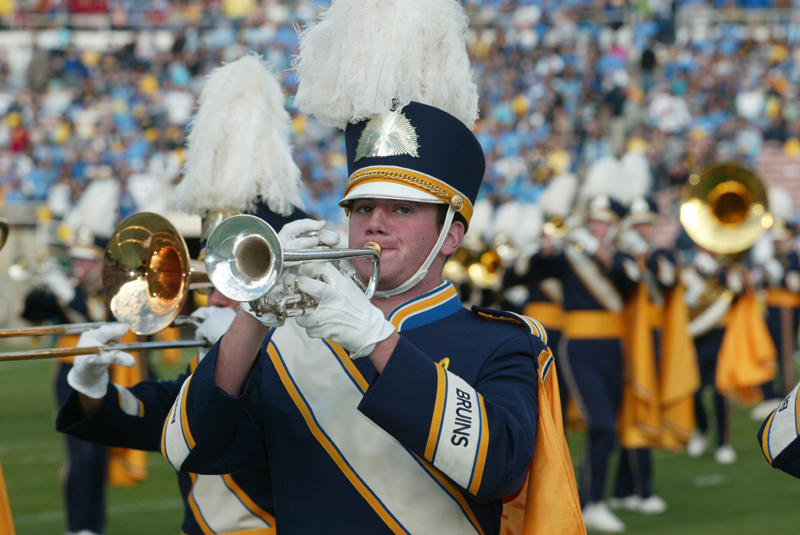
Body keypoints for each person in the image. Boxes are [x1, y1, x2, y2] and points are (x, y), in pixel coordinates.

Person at [158, 0, 560, 531]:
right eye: (363, 208)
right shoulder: (290, 349)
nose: (375, 223)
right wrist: (255, 313)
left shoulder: (503, 343)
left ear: (451, 235)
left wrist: (378, 339)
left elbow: (499, 469)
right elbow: (191, 448)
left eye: (401, 209)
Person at [57, 54, 314, 535]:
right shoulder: (205, 371)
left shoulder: (308, 372)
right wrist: (90, 387)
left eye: (234, 287)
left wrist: (244, 352)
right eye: (214, 286)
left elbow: (273, 419)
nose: (212, 300)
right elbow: (149, 416)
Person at [517, 194, 638, 533]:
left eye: (604, 223)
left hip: (615, 347)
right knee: (600, 424)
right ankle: (588, 501)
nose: (597, 228)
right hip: (579, 346)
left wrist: (604, 256)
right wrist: (539, 251)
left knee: (608, 425)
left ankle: (593, 497)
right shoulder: (570, 256)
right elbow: (530, 275)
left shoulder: (620, 257)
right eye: (594, 221)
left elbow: (632, 284)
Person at [610, 197, 674, 516]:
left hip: (656, 337)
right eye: (637, 224)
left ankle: (624, 488)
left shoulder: (659, 256)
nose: (643, 229)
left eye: (647, 223)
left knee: (645, 407)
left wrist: (644, 256)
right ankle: (642, 488)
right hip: (629, 339)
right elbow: (624, 284)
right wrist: (633, 256)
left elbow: (668, 281)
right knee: (637, 407)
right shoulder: (622, 256)